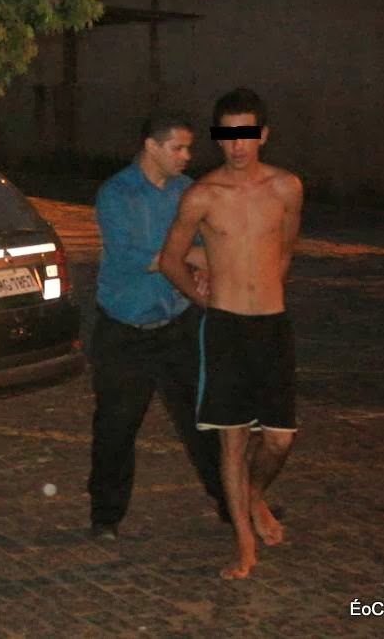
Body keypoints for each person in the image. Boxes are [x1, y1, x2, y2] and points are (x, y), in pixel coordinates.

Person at [160, 88, 303, 580]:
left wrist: (266, 291)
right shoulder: (202, 195)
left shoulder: (287, 188)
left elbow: (284, 250)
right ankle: (243, 542)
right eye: (228, 135)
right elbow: (170, 260)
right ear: (218, 139)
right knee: (232, 443)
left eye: (246, 134)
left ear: (262, 135)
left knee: (280, 439)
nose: (238, 145)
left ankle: (254, 494)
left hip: (272, 325)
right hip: (225, 328)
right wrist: (206, 299)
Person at [88, 113, 227, 541]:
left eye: (189, 148)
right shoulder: (117, 193)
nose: (187, 156)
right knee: (115, 428)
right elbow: (136, 257)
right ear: (151, 146)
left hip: (176, 324)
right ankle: (106, 516)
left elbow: (202, 243)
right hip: (124, 330)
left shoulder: (187, 191)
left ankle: (234, 504)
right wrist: (194, 260)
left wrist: (201, 265)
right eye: (178, 148)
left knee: (204, 423)